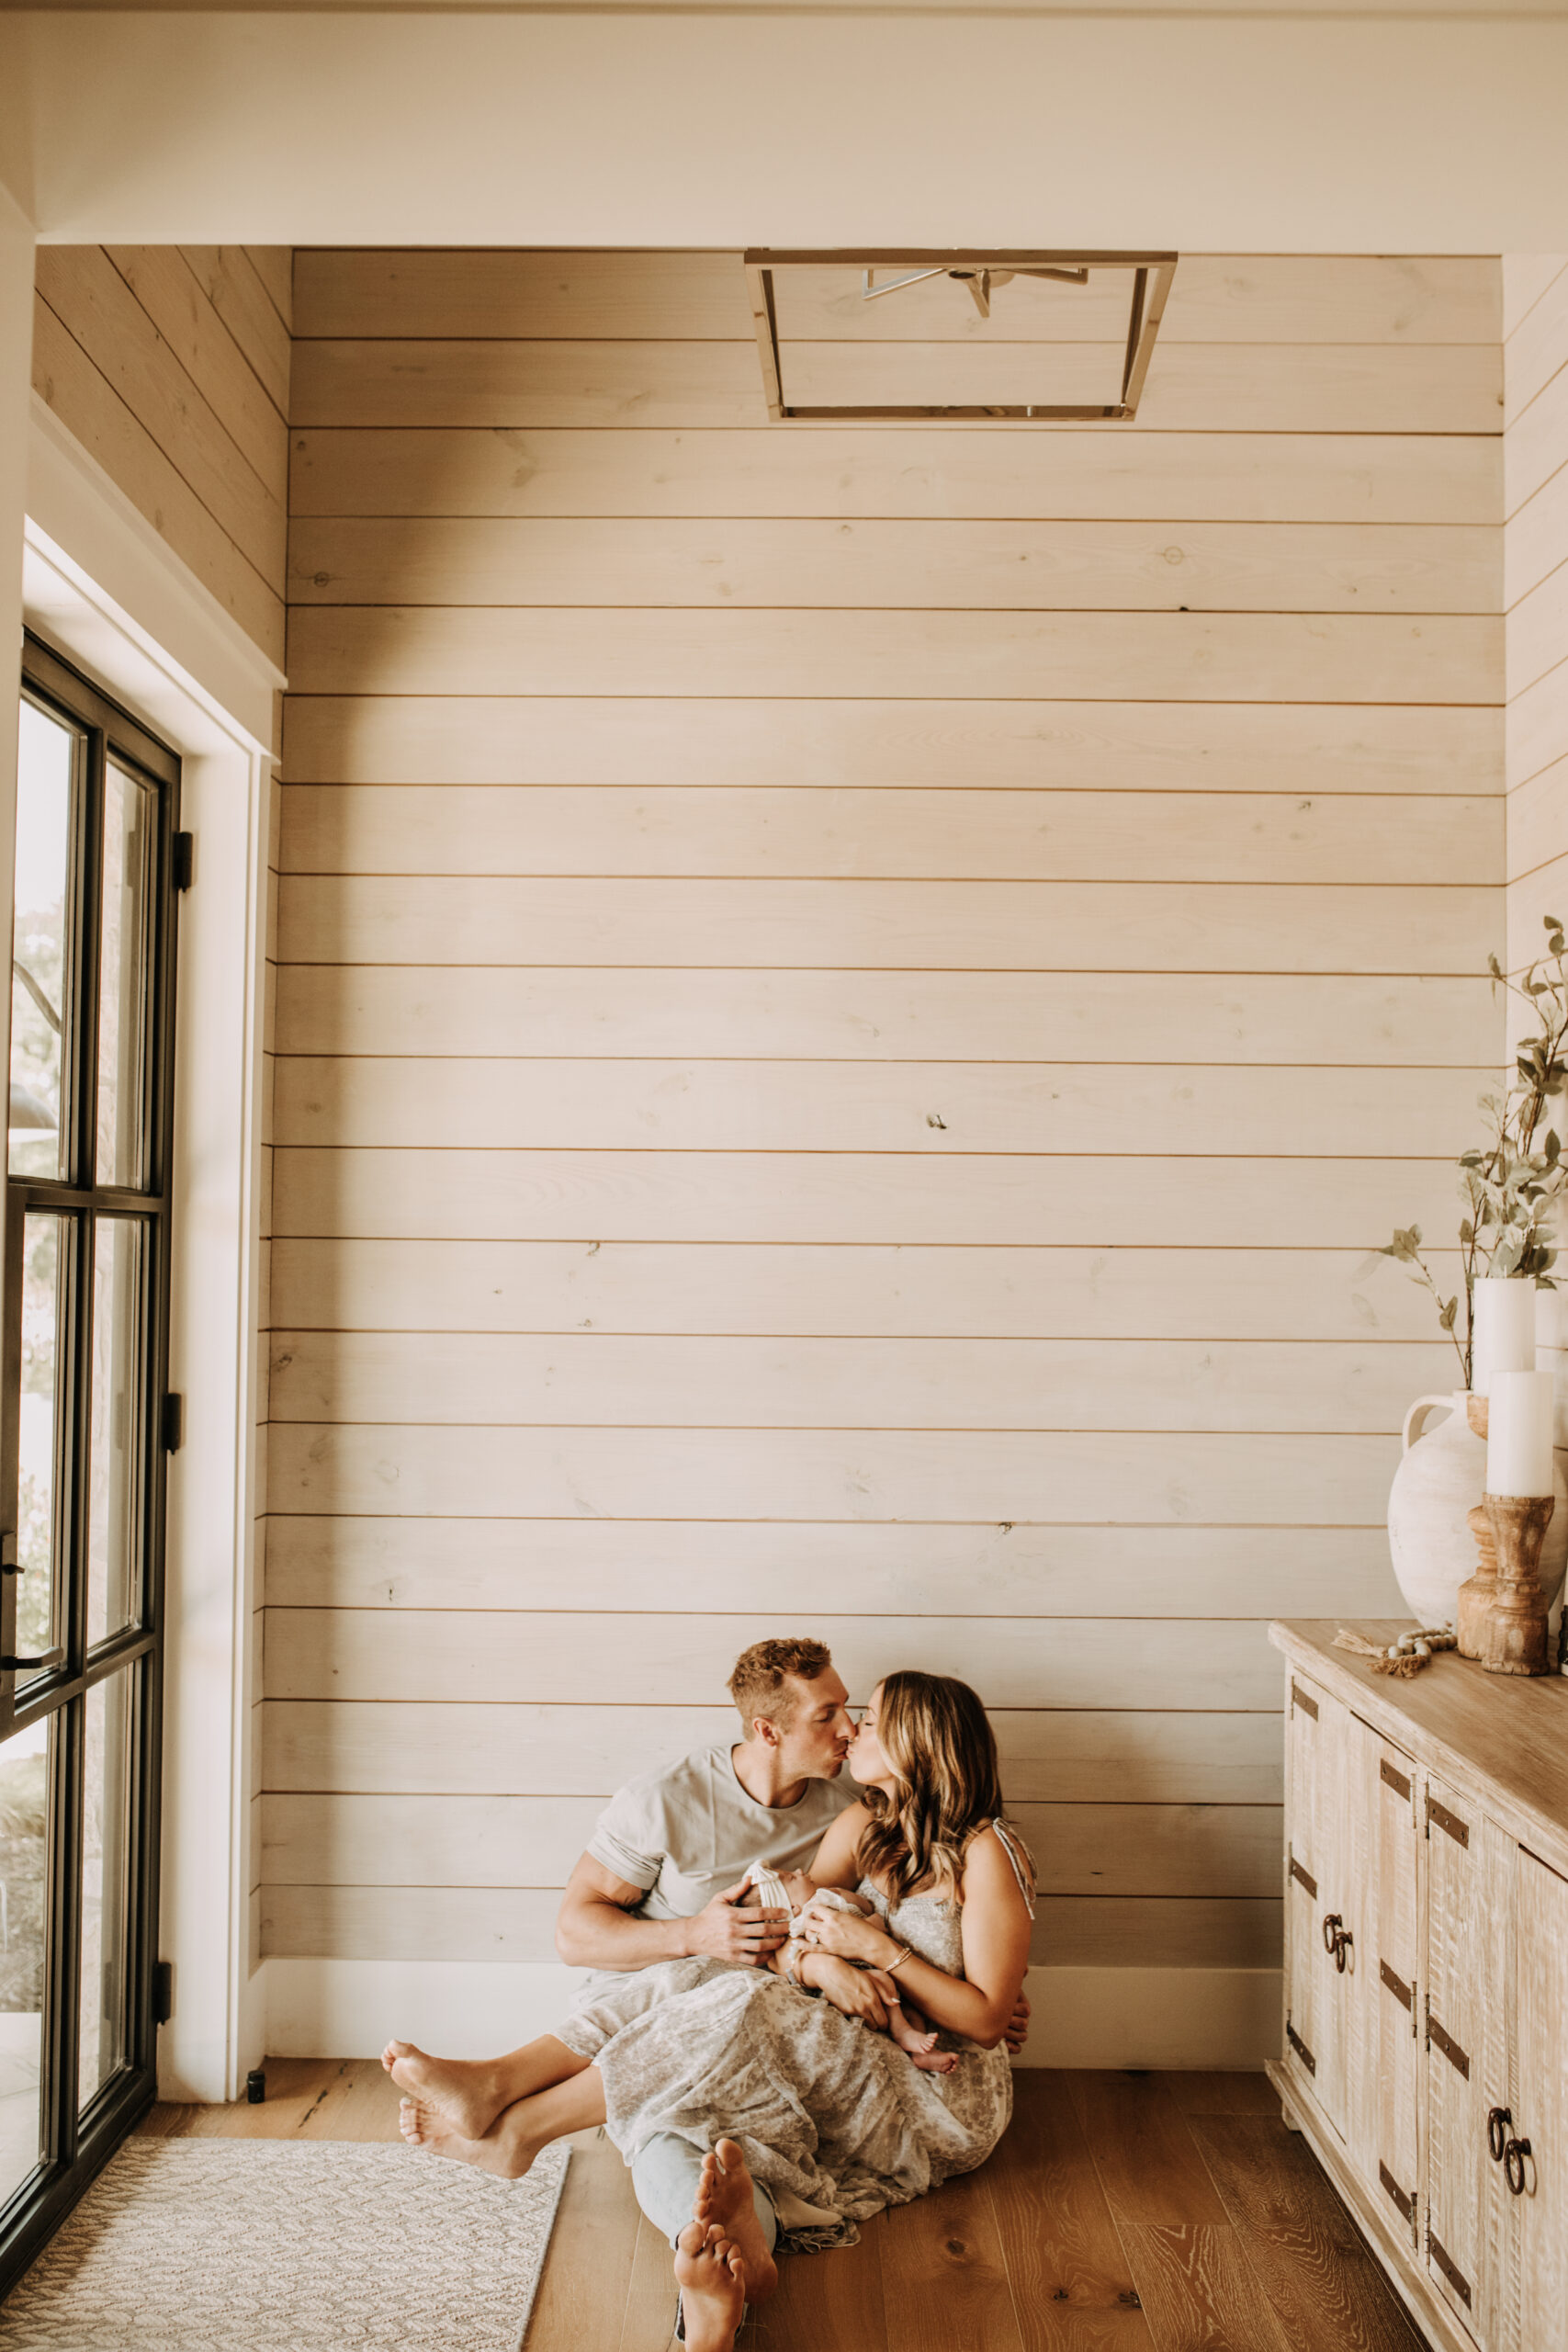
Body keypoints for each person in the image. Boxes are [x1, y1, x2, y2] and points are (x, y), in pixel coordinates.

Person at [385, 1669, 1035, 2352]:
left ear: (917, 1744)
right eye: (846, 1717)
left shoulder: (987, 1850)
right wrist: (821, 1960)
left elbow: (986, 2020)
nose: (852, 1732)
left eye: (869, 1722)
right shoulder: (863, 1823)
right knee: (698, 1984)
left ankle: (518, 2128)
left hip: (942, 2087)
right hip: (866, 2039)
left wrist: (875, 1948)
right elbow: (796, 1927)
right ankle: (506, 2091)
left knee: (736, 1999)